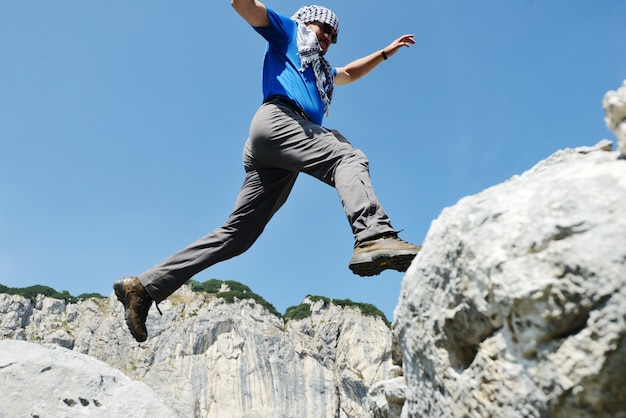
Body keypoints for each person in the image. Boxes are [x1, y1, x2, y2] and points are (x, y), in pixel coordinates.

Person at [114, 1, 421, 342]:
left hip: (280, 148)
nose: (328, 39)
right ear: (307, 22)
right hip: (279, 122)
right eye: (325, 29)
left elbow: (348, 73)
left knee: (238, 235)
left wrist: (385, 53)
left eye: (334, 36)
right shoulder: (288, 32)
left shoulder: (319, 70)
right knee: (346, 157)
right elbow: (245, 6)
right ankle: (374, 235)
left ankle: (143, 287)